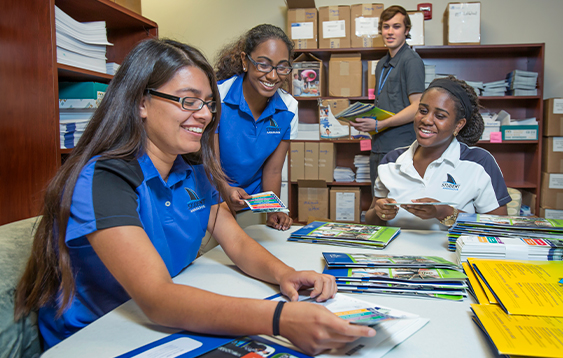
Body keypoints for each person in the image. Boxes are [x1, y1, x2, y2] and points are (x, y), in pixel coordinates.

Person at [13, 38, 374, 355]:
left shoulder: (195, 172)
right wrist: (280, 318)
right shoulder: (104, 179)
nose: (203, 115)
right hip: (97, 337)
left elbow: (238, 243)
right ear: (141, 102)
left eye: (208, 104)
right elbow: (157, 299)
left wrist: (286, 274)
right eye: (188, 101)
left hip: (163, 323)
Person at [365, 76, 511, 230]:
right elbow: (372, 220)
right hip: (394, 252)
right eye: (422, 111)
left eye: (440, 116)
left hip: (451, 253)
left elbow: (499, 225)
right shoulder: (391, 161)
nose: (426, 120)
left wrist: (444, 212)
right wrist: (379, 212)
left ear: (459, 125)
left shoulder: (479, 162)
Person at [215, 24, 296, 231]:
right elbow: (210, 161)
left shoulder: (288, 108)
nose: (272, 76)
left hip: (252, 203)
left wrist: (273, 210)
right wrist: (226, 189)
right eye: (263, 65)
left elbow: (274, 169)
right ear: (245, 61)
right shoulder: (217, 97)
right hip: (212, 199)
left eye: (282, 67)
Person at [350, 5, 426, 187]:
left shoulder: (412, 61)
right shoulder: (382, 64)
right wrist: (364, 121)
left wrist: (381, 124)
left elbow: (417, 106)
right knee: (378, 202)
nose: (390, 32)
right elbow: (386, 105)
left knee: (395, 206)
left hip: (400, 147)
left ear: (406, 30)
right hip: (378, 145)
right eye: (386, 27)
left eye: (396, 26)